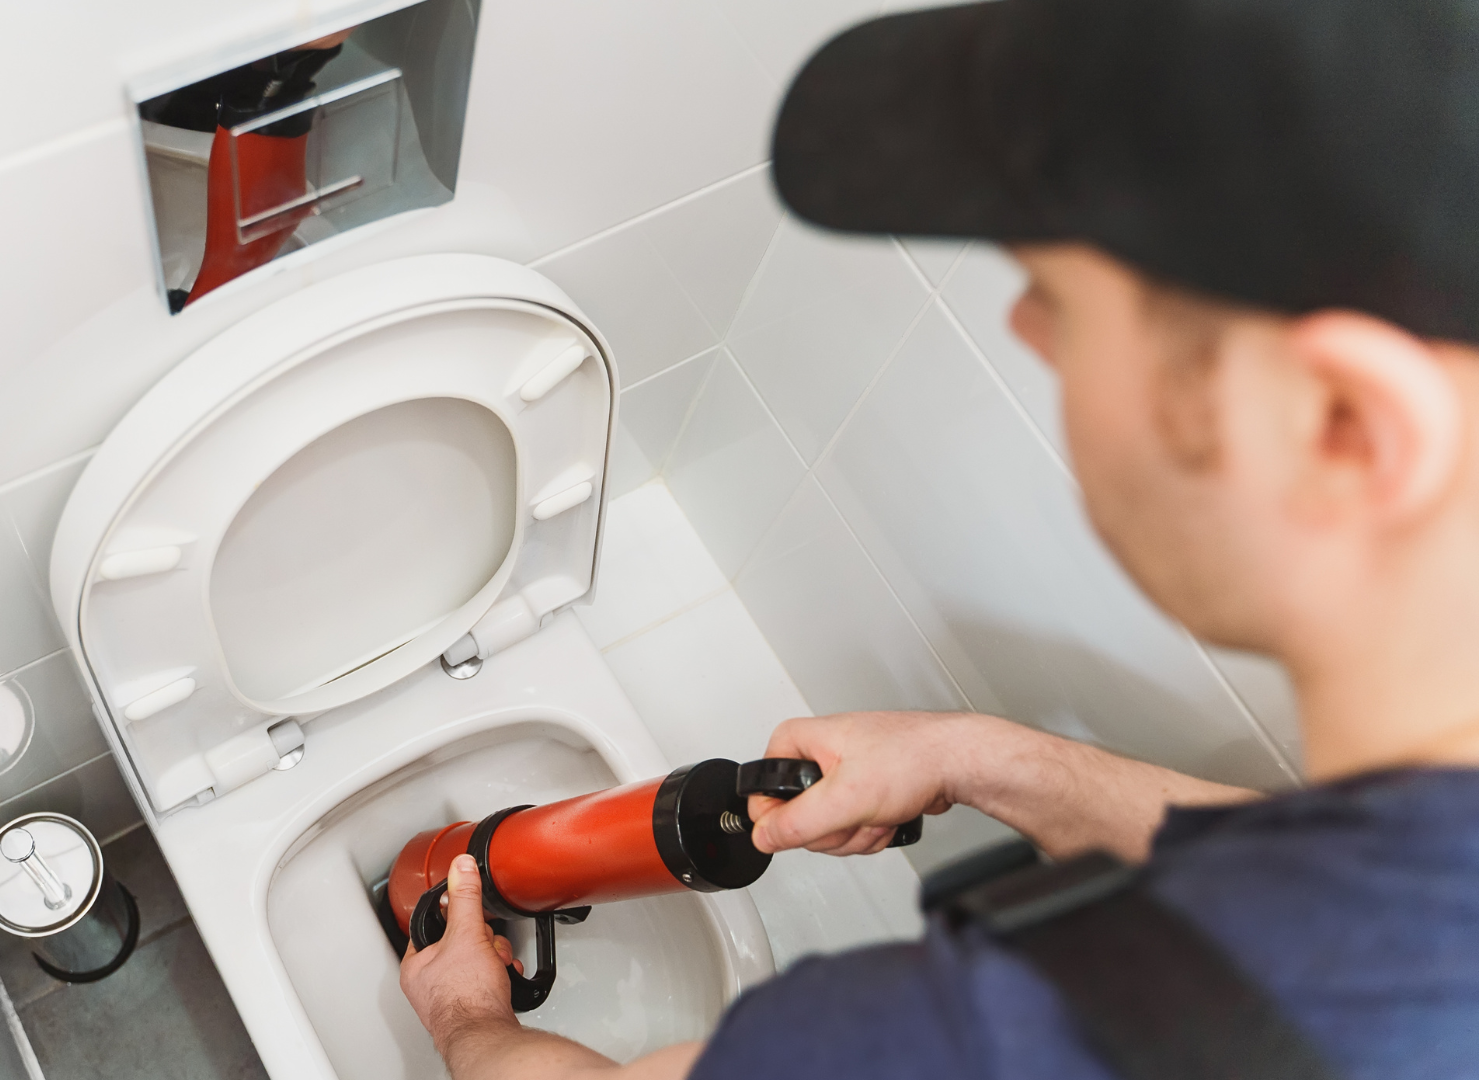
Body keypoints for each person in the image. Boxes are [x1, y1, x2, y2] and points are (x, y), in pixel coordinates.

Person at [399, 0, 1479, 1076]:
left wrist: (468, 1022)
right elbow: (1312, 885)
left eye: (1062, 300)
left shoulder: (1009, 1042)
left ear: (1346, 426)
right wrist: (974, 757)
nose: (1026, 331)